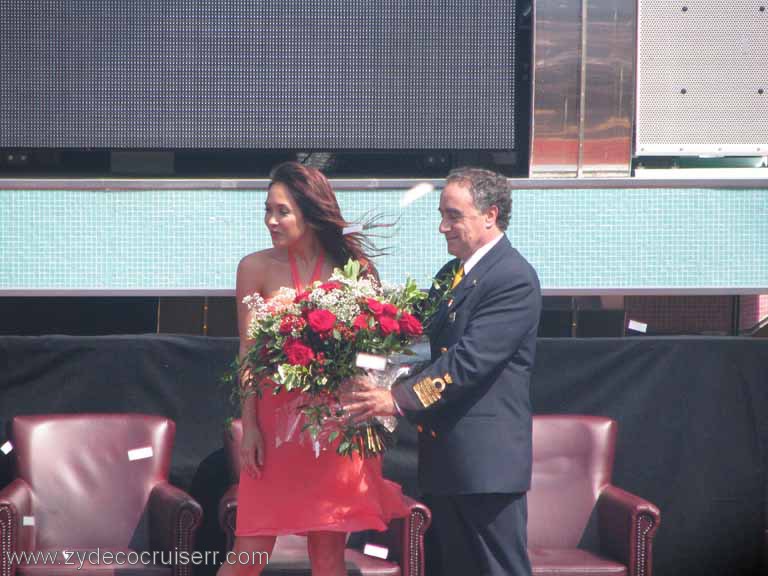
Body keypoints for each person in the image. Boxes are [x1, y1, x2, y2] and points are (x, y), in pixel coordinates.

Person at [343, 167, 541, 576]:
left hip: (486, 467)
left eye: (453, 216)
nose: (442, 227)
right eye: (442, 214)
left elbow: (466, 364)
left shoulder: (512, 278)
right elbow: (418, 344)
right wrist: (366, 358)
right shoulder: (451, 275)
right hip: (448, 461)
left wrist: (393, 400)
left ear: (490, 214)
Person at [221, 161, 409, 576]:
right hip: (274, 431)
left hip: (333, 430)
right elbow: (248, 353)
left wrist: (358, 377)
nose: (271, 220)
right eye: (267, 210)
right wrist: (250, 424)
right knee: (248, 553)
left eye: (281, 211)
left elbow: (376, 356)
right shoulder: (254, 268)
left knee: (327, 557)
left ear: (310, 211)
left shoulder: (353, 270)